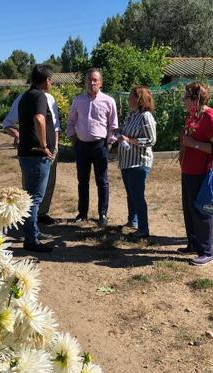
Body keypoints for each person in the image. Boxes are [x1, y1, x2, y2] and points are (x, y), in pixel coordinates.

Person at [179, 82, 213, 266]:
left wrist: (194, 144)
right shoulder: (194, 115)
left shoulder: (211, 117)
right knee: (189, 208)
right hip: (189, 170)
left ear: (195, 99)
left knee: (201, 210)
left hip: (204, 171)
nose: (183, 100)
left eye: (186, 97)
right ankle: (193, 243)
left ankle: (207, 251)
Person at [67, 68, 118, 227]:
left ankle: (103, 214)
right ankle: (82, 213)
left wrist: (109, 143)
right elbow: (70, 122)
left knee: (102, 181)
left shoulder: (108, 101)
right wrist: (74, 141)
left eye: (95, 80)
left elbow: (113, 125)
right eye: (89, 79)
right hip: (81, 146)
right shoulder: (78, 100)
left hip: (100, 146)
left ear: (101, 83)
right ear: (85, 82)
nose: (92, 82)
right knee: (82, 181)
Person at [3, 91, 61, 225]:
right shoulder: (24, 98)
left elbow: (55, 125)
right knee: (32, 186)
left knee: (49, 182)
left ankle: (42, 213)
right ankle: (29, 216)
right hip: (34, 150)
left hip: (52, 147)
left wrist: (56, 145)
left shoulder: (51, 98)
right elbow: (7, 123)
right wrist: (18, 135)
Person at [17, 64, 56, 252]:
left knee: (30, 195)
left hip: (26, 153)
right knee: (35, 198)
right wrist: (44, 146)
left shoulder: (26, 96)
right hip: (35, 155)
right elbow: (40, 119)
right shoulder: (39, 96)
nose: (52, 83)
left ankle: (32, 231)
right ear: (46, 80)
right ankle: (31, 240)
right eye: (51, 79)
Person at [116, 86, 157, 239]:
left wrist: (129, 140)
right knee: (131, 194)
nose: (128, 100)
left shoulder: (146, 116)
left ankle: (143, 229)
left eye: (130, 97)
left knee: (137, 196)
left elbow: (151, 140)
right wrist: (119, 132)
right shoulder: (132, 115)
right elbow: (126, 133)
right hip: (127, 162)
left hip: (139, 162)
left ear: (138, 99)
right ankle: (132, 221)